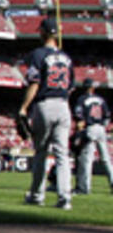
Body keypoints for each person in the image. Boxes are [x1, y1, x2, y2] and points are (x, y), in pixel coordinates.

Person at [19, 17, 75, 210]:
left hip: (45, 105)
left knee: (41, 153)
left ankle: (36, 196)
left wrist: (24, 107)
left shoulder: (38, 54)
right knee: (62, 155)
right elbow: (70, 87)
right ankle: (65, 197)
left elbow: (34, 82)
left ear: (42, 32)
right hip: (63, 105)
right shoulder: (66, 58)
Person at [73, 78, 113, 195]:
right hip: (100, 128)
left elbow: (79, 118)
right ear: (92, 87)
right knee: (106, 159)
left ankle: (85, 188)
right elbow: (106, 117)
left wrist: (79, 133)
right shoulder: (101, 100)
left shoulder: (82, 99)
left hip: (90, 128)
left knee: (87, 160)